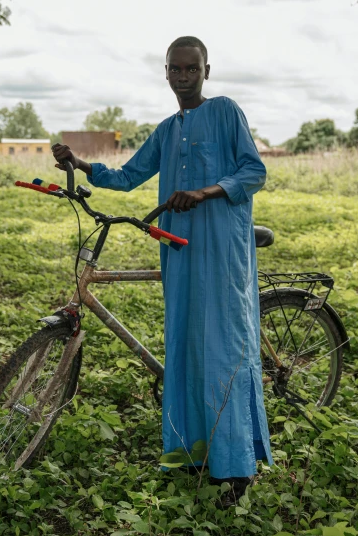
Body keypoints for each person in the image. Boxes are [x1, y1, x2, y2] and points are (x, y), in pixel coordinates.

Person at [52, 36, 273, 507]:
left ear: (206, 72)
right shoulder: (166, 130)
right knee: (186, 342)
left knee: (224, 347)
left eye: (192, 69)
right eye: (176, 69)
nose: (183, 77)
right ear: (166, 72)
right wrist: (81, 163)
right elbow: (128, 176)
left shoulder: (226, 111)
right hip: (178, 247)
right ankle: (193, 451)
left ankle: (235, 470)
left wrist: (204, 191)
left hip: (221, 247)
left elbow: (254, 173)